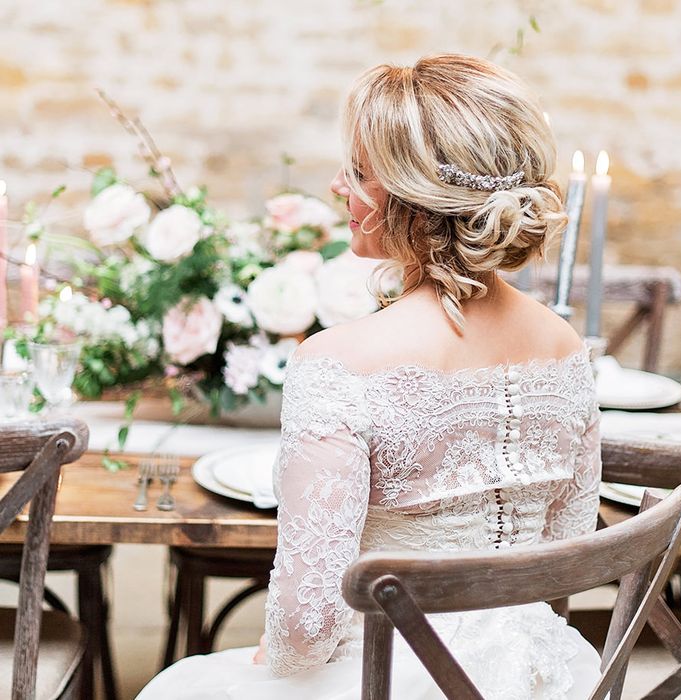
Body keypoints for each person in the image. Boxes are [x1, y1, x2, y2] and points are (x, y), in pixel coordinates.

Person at [138, 53, 602, 700]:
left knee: (176, 686)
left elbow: (304, 627)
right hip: (545, 678)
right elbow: (565, 557)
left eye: (358, 171)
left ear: (418, 197)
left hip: (390, 675)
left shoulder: (339, 365)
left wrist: (274, 658)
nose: (335, 185)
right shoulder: (565, 347)